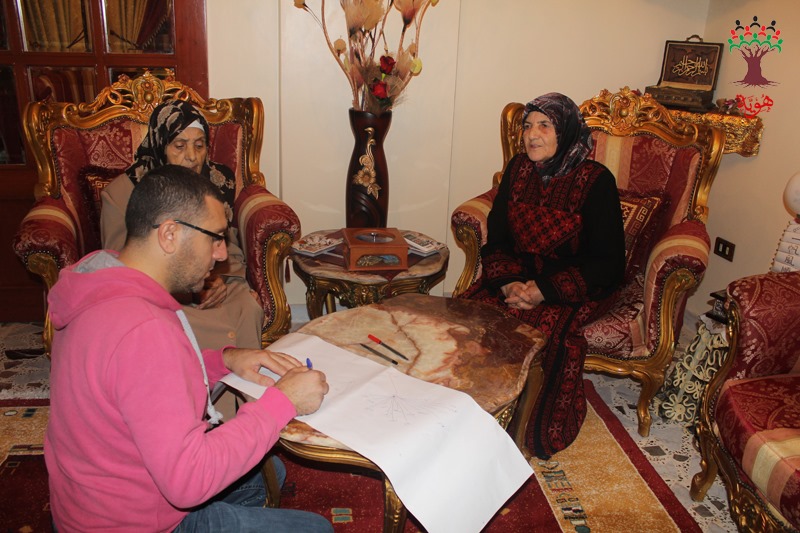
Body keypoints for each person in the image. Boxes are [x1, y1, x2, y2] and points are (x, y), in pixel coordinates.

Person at [45, 165, 333, 532]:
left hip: (90, 503)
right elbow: (188, 482)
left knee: (267, 472)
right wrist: (284, 401)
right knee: (318, 529)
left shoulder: (99, 277)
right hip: (134, 524)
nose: (221, 254)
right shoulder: (144, 330)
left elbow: (133, 383)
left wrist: (224, 360)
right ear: (169, 234)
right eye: (215, 237)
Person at [460, 92, 626, 459]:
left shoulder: (596, 181)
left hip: (576, 284)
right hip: (516, 277)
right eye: (527, 126)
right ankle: (461, 416)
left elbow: (608, 262)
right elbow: (497, 238)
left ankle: (526, 431)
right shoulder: (518, 169)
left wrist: (544, 290)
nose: (532, 134)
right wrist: (508, 282)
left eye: (545, 126)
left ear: (565, 132)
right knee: (469, 317)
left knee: (544, 336)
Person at [101, 100, 263, 351]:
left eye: (199, 145)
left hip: (212, 281)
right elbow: (121, 261)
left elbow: (228, 250)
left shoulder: (217, 182)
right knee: (175, 323)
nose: (192, 156)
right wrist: (188, 285)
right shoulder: (123, 191)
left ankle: (247, 375)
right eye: (179, 146)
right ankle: (205, 372)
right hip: (158, 292)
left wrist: (217, 279)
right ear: (160, 146)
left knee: (247, 307)